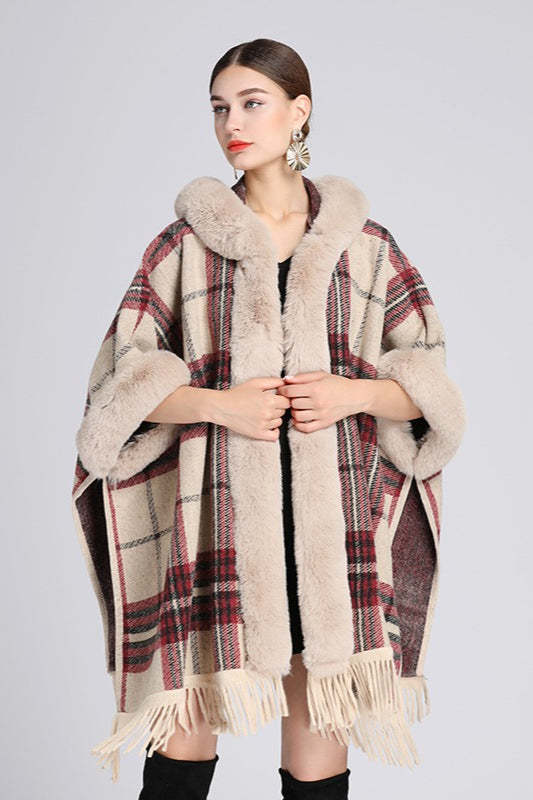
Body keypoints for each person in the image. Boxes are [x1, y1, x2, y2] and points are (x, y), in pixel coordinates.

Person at [71, 38, 466, 800]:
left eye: (252, 104)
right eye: (220, 108)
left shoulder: (364, 248)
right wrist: (218, 405)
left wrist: (353, 394)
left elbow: (430, 390)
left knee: (316, 763)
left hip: (329, 541)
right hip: (218, 528)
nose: (232, 124)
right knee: (179, 755)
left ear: (299, 111)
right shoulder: (185, 246)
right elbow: (114, 398)